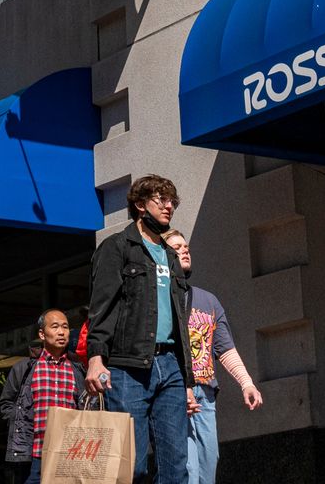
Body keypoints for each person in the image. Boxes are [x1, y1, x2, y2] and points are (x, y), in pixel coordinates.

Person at [84, 174, 191, 484]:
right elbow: (102, 306)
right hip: (128, 367)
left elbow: (178, 317)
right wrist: (96, 356)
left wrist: (187, 376)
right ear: (141, 205)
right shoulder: (117, 247)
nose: (169, 205)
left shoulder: (171, 255)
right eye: (162, 199)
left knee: (176, 466)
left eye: (173, 201)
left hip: (170, 365)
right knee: (131, 466)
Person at [162, 228, 264, 484]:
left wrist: (246, 382)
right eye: (176, 248)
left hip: (205, 395)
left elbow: (224, 348)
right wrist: (181, 386)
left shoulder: (208, 300)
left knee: (209, 466)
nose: (184, 250)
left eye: (186, 247)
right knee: (187, 471)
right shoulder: (159, 300)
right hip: (174, 394)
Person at [1, 308, 88, 484]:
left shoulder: (78, 369)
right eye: (55, 326)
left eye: (65, 327)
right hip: (34, 456)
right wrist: (21, 423)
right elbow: (6, 404)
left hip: (69, 457)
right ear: (42, 334)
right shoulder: (24, 369)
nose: (61, 332)